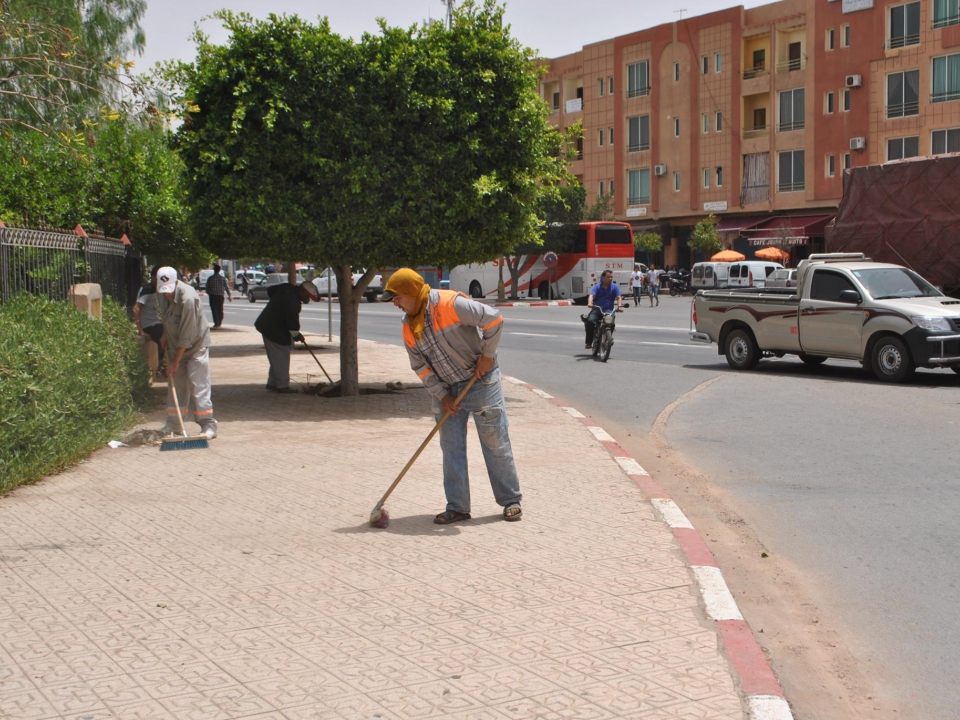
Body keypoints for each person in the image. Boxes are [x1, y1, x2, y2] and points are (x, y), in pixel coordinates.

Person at [380, 268, 523, 524]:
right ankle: (458, 506)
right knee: (451, 448)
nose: (395, 304)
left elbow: (493, 319)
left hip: (480, 381)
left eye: (398, 297)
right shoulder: (408, 327)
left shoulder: (450, 304)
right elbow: (420, 367)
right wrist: (441, 395)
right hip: (446, 390)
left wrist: (487, 356)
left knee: (494, 442)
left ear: (411, 292)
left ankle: (510, 500)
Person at [156, 267, 218, 439]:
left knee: (198, 384)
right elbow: (166, 317)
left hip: (195, 345)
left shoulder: (188, 299)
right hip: (175, 346)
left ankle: (208, 424)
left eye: (169, 291)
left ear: (176, 282)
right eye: (163, 290)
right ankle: (174, 425)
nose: (166, 294)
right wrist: (164, 335)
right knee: (177, 384)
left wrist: (175, 362)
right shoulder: (162, 291)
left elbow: (186, 336)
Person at [253, 280, 319, 393]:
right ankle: (282, 385)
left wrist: (278, 302)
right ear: (302, 290)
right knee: (282, 355)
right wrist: (297, 336)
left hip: (269, 325)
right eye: (307, 296)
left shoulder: (286, 287)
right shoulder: (294, 302)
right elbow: (292, 323)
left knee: (276, 356)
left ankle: (273, 383)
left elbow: (270, 291)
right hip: (273, 328)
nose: (307, 299)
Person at [133, 266, 164, 378]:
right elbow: (136, 309)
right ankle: (161, 364)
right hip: (149, 325)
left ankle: (161, 363)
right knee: (165, 334)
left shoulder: (160, 290)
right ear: (153, 277)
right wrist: (141, 331)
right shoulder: (147, 290)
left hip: (156, 322)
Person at [584, 269, 623, 349]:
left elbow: (619, 297)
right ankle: (588, 342)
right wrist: (590, 303)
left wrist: (619, 306)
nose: (610, 279)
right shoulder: (597, 286)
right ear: (603, 277)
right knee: (590, 321)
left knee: (611, 323)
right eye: (608, 277)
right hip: (597, 309)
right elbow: (591, 295)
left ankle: (609, 338)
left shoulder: (615, 287)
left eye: (611, 277)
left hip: (609, 310)